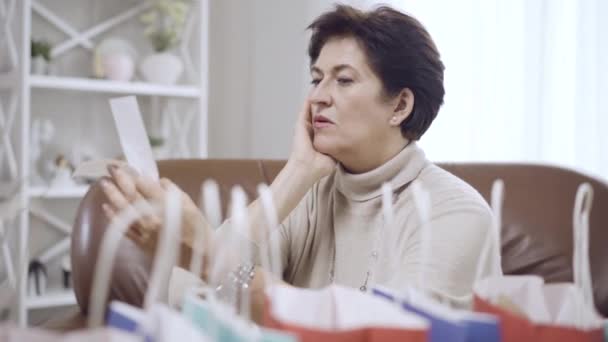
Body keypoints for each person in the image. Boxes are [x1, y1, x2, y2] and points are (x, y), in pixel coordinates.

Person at [101, 4, 498, 322]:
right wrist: (296, 174)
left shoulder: (456, 213)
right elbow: (184, 296)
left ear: (400, 105)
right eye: (316, 78)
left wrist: (208, 256)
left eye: (343, 80)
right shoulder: (308, 194)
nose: (318, 97)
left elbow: (386, 335)